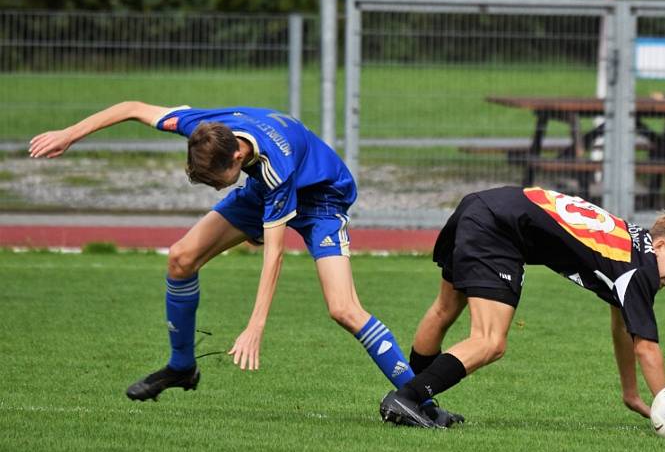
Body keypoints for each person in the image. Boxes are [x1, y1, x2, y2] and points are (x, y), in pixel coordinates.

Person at [29, 101, 461, 425]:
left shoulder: (274, 166)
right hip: (261, 192)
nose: (213, 188)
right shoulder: (206, 130)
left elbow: (273, 254)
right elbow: (133, 108)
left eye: (216, 182)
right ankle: (182, 367)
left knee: (343, 309)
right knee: (181, 258)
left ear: (236, 157)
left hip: (321, 198)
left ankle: (420, 402)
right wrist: (71, 133)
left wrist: (255, 326)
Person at [380, 186, 665, 428]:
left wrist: (631, 393)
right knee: (489, 341)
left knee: (444, 309)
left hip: (481, 205)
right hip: (499, 229)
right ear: (661, 245)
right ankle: (407, 398)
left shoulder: (631, 244)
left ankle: (418, 404)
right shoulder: (640, 270)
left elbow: (624, 327)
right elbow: (647, 349)